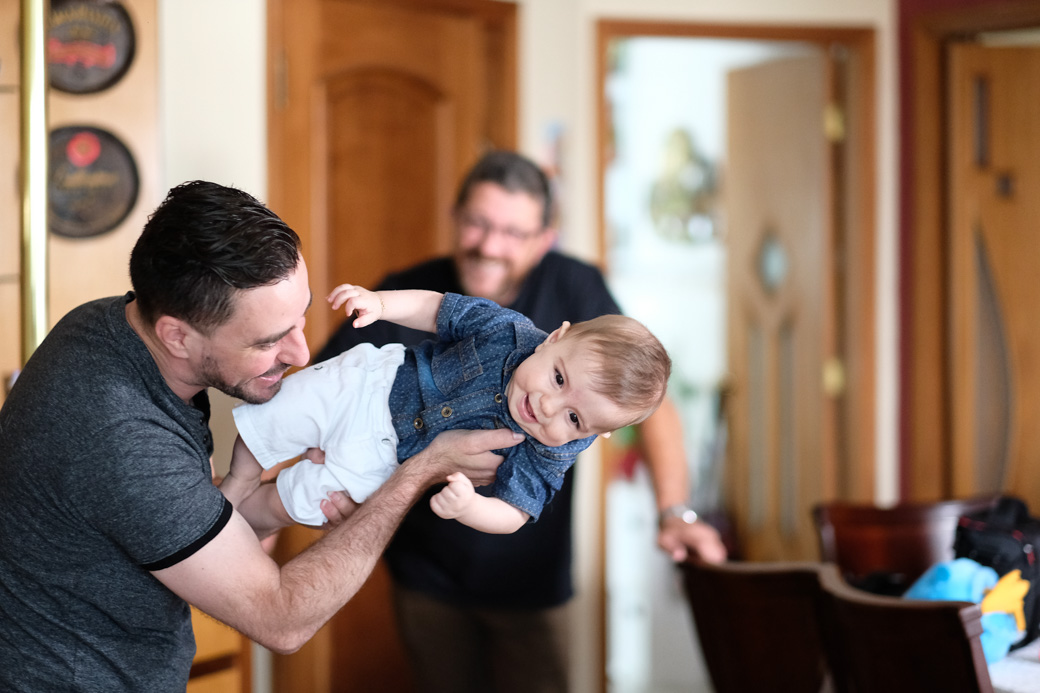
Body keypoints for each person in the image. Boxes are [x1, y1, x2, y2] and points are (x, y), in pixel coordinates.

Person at [0, 181, 521, 691]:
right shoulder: (122, 435)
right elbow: (281, 620)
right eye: (269, 341)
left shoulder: (111, 326)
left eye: (300, 319)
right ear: (177, 335)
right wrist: (420, 469)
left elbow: (191, 523)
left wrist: (285, 497)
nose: (300, 354)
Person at [315, 150, 728, 692]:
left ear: (544, 239)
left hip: (531, 581)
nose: (490, 246)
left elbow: (652, 408)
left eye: (513, 232)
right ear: (455, 216)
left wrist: (674, 512)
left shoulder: (576, 289)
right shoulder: (409, 293)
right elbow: (322, 392)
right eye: (477, 223)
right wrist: (284, 499)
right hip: (425, 573)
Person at [233, 284, 670, 534]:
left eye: (574, 419)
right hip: (370, 387)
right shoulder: (507, 330)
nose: (547, 406)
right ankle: (237, 481)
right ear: (555, 339)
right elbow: (437, 308)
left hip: (383, 463)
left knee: (302, 503)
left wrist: (469, 508)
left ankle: (235, 522)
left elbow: (515, 513)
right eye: (558, 378)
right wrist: (381, 304)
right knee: (280, 413)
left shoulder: (551, 452)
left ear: (594, 434)